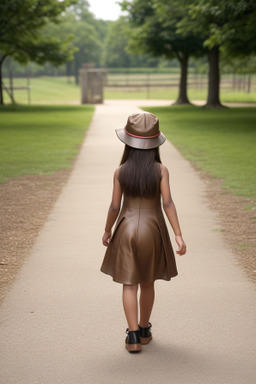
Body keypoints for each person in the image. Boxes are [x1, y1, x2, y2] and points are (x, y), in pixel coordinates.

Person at [101, 112, 186, 353]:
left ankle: (133, 337)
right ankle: (145, 328)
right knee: (147, 282)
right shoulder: (161, 170)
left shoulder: (120, 171)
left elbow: (115, 206)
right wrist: (178, 233)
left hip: (126, 228)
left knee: (130, 284)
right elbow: (168, 203)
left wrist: (107, 229)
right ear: (154, 144)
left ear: (128, 143)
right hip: (153, 229)